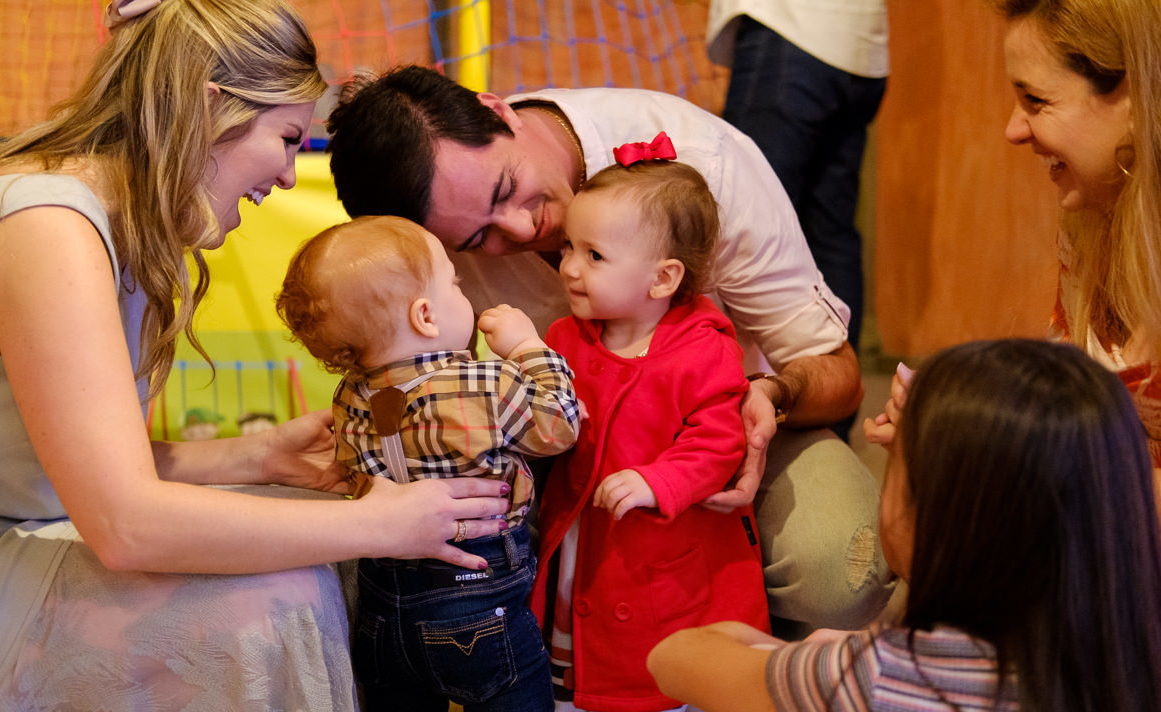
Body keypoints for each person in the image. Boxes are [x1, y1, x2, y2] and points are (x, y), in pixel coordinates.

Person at [0, 1, 511, 712]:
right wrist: (377, 523)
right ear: (209, 104)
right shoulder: (48, 226)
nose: (292, 172)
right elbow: (122, 524)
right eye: (287, 139)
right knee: (269, 604)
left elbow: (55, 465)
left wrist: (257, 454)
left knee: (301, 556)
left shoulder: (115, 220)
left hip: (4, 521)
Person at [326, 64, 895, 639]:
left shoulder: (705, 162)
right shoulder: (432, 245)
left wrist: (771, 396)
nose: (521, 230)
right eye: (478, 240)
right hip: (560, 449)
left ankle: (730, 635)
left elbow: (838, 372)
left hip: (727, 429)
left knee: (842, 569)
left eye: (506, 189)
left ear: (498, 111)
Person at [650, 338, 1161, 712]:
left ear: (927, 516)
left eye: (900, 470)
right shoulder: (1130, 663)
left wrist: (790, 656)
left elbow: (673, 659)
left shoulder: (882, 684)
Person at [275, 215, 580, 712]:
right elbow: (559, 426)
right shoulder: (482, 382)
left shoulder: (352, 396)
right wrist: (528, 347)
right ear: (426, 316)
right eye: (456, 284)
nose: (465, 292)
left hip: (386, 610)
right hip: (480, 600)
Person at [531, 151, 771, 712]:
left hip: (677, 551)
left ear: (663, 278)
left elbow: (719, 438)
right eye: (569, 249)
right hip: (595, 547)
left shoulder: (705, 348)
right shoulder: (566, 339)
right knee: (572, 675)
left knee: (700, 676)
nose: (570, 267)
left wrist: (660, 481)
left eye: (594, 256)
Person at [866, 0, 1161, 487]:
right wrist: (959, 429)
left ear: (1135, 100)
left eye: (1036, 101)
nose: (1013, 129)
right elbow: (1069, 417)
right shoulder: (1090, 220)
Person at [705, 0, 889, 440]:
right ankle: (827, 419)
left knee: (733, 223)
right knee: (830, 235)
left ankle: (725, 423)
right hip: (858, 45)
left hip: (788, 36)